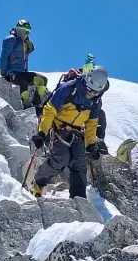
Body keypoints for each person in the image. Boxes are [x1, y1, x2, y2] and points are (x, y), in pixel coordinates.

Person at [31, 67, 109, 198]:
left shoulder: (96, 101)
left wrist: (90, 144)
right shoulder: (69, 88)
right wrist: (42, 133)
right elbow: (50, 110)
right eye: (89, 90)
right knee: (61, 159)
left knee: (79, 163)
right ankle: (38, 182)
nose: (91, 94)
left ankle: (79, 198)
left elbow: (91, 123)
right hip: (56, 127)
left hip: (76, 131)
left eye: (95, 92)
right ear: (86, 81)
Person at [0, 19, 47, 112]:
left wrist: (26, 71)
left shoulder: (27, 44)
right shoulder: (11, 40)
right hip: (12, 72)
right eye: (21, 31)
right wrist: (4, 73)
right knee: (23, 81)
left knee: (43, 80)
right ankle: (26, 104)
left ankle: (37, 103)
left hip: (22, 72)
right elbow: (3, 57)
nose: (24, 34)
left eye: (26, 32)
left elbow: (25, 60)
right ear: (17, 30)